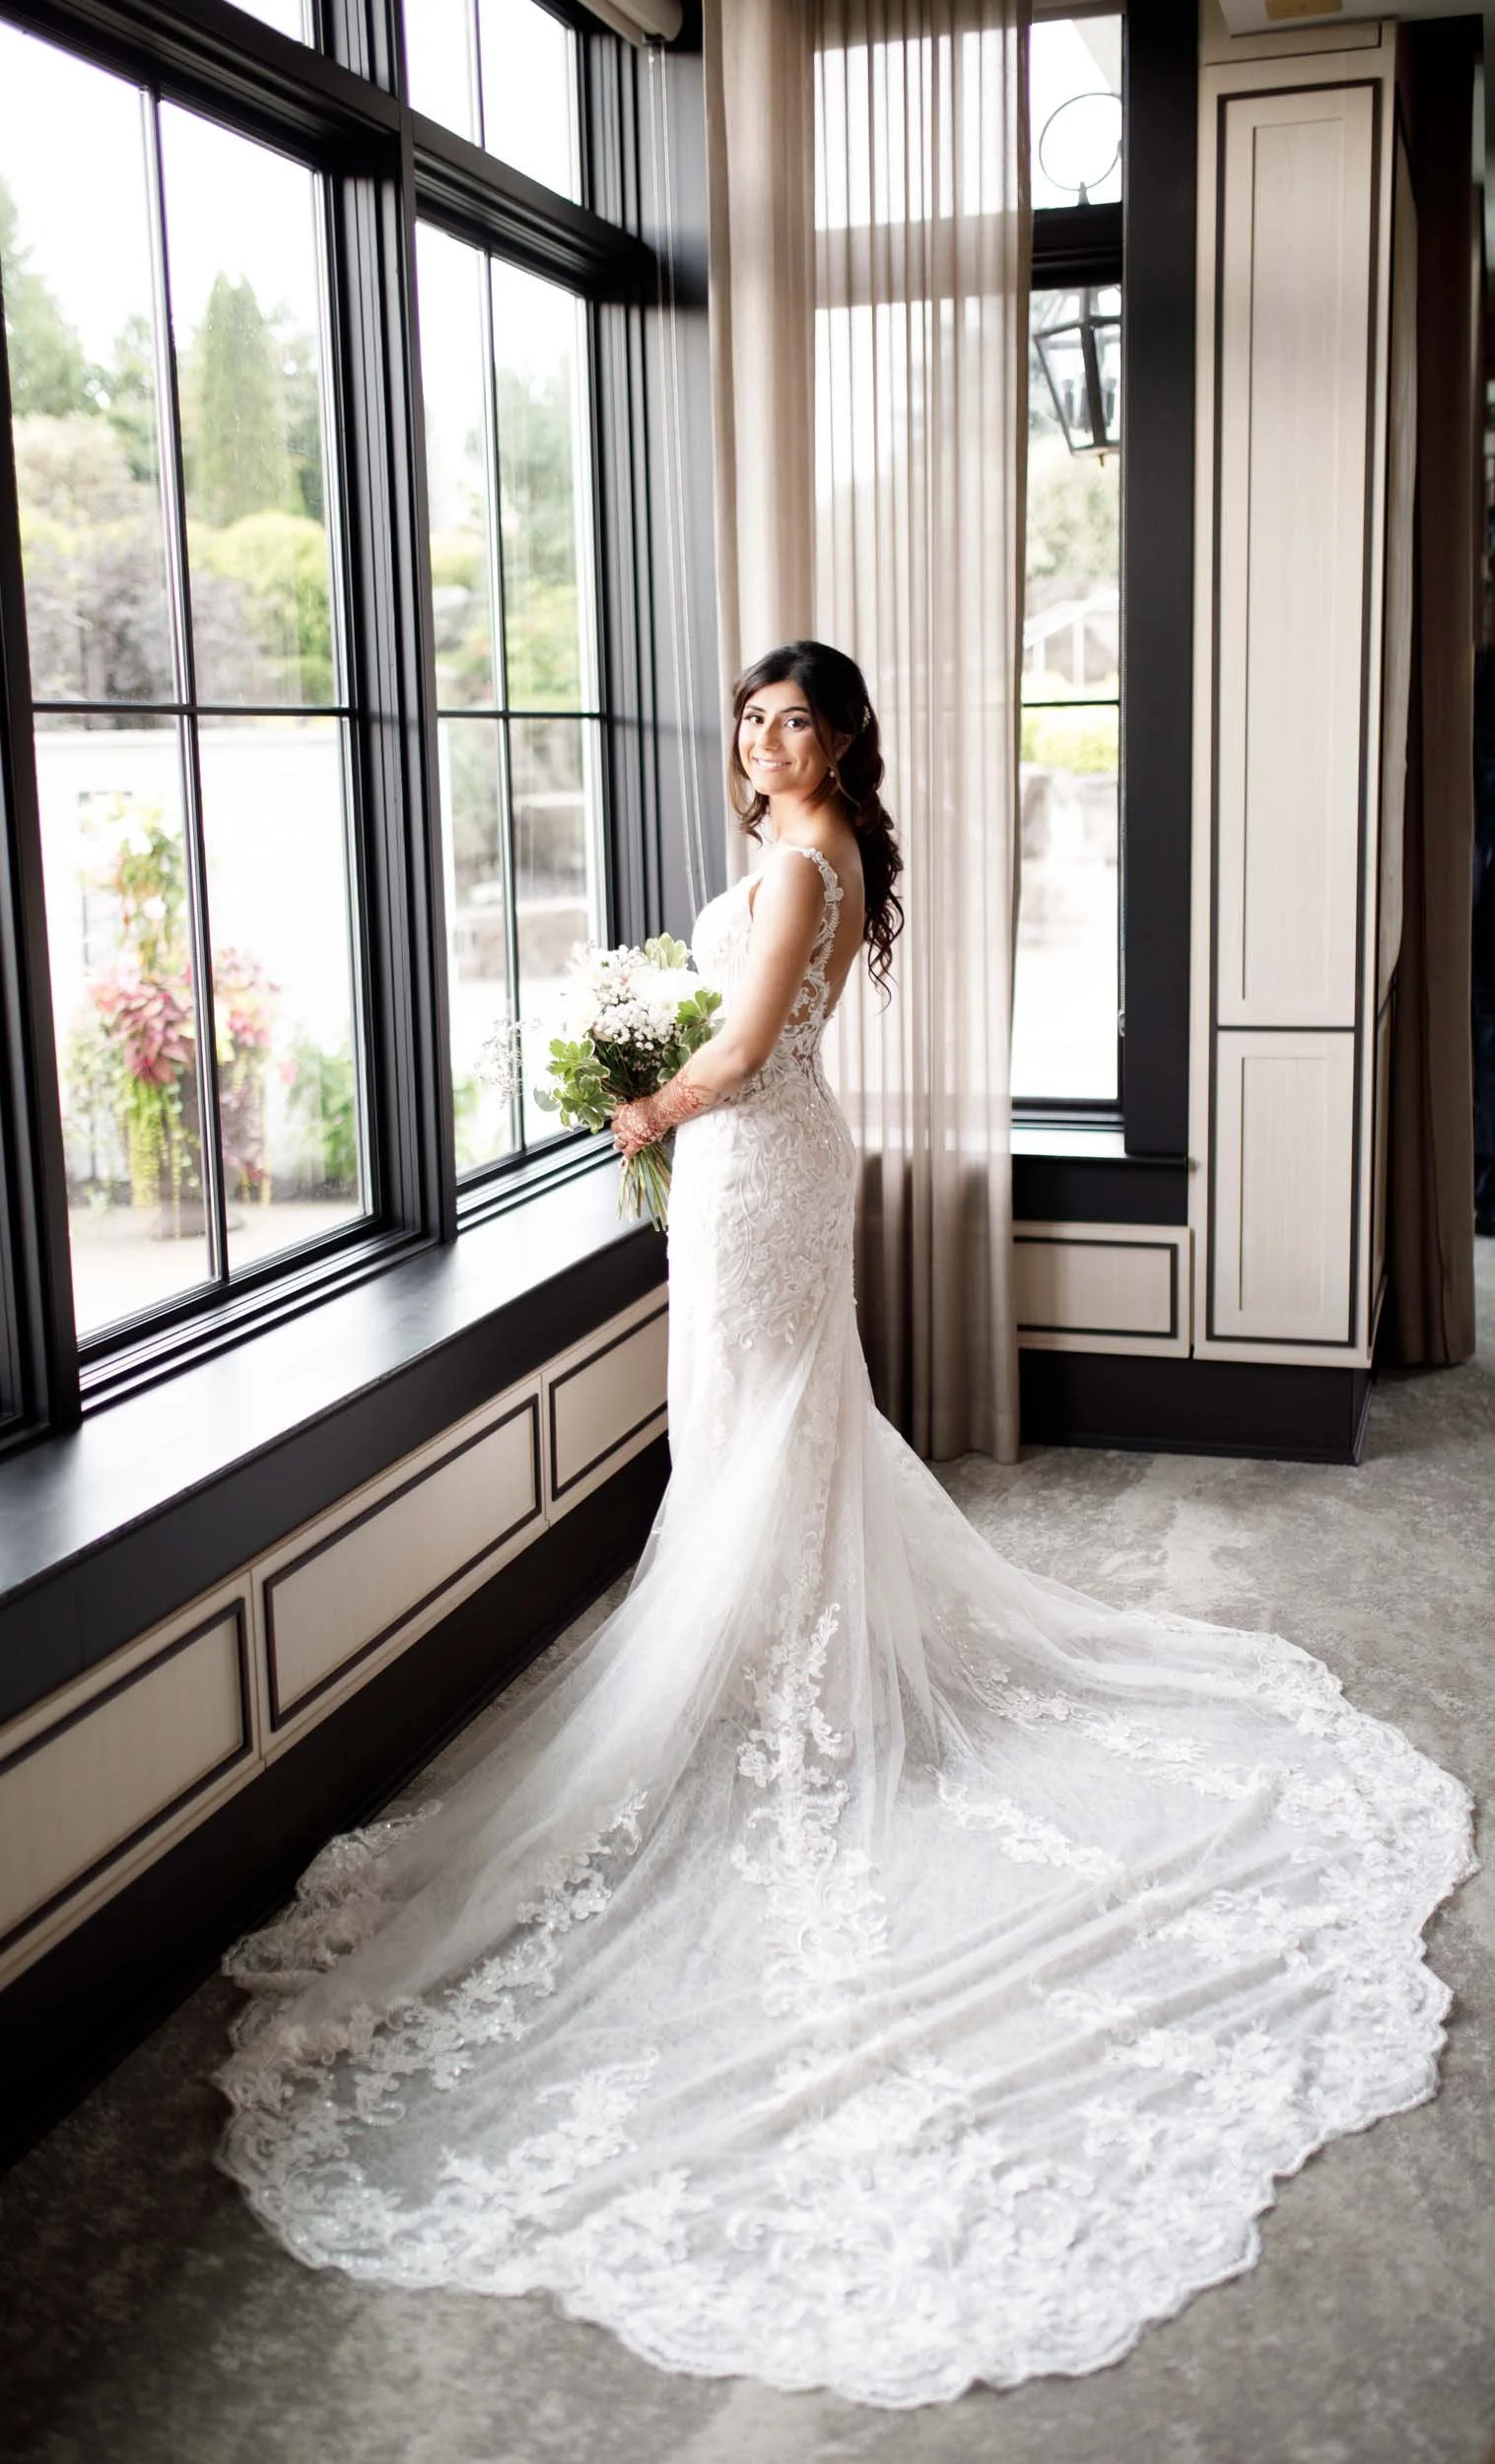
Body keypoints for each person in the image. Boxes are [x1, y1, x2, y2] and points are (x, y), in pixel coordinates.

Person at [218, 641, 1474, 2410]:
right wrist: (664, 1077)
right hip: (757, 1173)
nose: (764, 737)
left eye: (792, 717)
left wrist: (647, 1098)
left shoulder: (811, 858)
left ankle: (780, 1668)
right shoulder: (801, 848)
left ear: (840, 738)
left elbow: (741, 1045)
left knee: (769, 1428)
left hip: (757, 1167)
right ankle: (770, 1650)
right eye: (750, 717)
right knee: (763, 1428)